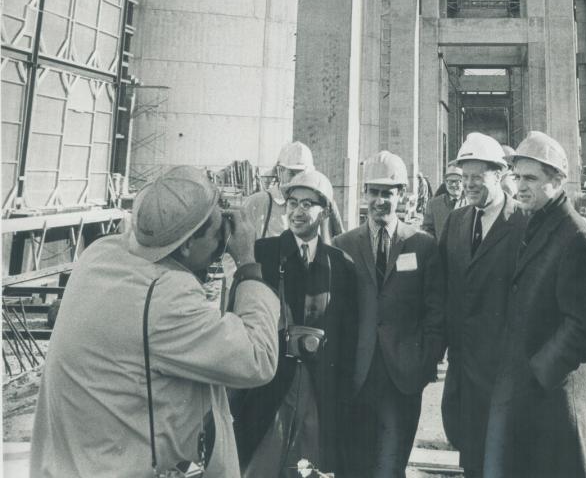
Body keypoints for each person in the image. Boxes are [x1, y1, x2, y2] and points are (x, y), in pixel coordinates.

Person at [30, 165, 280, 478]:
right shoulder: (166, 296)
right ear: (186, 244)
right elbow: (258, 359)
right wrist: (247, 262)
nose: (224, 239)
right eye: (218, 232)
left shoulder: (101, 253)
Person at [484, 132, 586, 478]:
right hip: (529, 398)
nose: (520, 186)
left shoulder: (576, 236)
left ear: (557, 181)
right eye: (517, 177)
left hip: (554, 403)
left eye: (531, 178)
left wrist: (538, 372)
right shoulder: (536, 223)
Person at [231, 168, 357, 477]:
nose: (298, 211)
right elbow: (237, 317)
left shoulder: (340, 265)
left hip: (317, 387)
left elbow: (347, 337)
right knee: (260, 463)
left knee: (308, 465)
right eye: (292, 203)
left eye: (307, 204)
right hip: (269, 384)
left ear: (324, 210)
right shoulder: (262, 254)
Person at [335, 150, 444, 478]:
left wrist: (424, 362)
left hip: (402, 379)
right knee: (354, 466)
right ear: (365, 194)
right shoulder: (343, 245)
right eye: (375, 193)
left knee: (390, 467)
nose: (381, 201)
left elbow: (436, 312)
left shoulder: (422, 247)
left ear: (402, 196)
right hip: (356, 375)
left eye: (389, 193)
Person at [438, 133, 525, 478]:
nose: (469, 185)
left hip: (504, 370)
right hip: (465, 366)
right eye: (464, 177)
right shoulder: (457, 222)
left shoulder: (522, 222)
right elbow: (443, 287)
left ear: (499, 174)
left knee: (506, 459)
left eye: (478, 176)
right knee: (471, 453)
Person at [242, 140, 344, 242]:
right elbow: (238, 249)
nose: (298, 180)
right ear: (280, 170)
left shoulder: (323, 203)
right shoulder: (257, 203)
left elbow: (340, 243)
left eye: (303, 175)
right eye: (293, 173)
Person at [421, 162, 467, 241]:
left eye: (457, 181)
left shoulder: (472, 204)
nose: (453, 185)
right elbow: (427, 230)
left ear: (463, 182)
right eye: (450, 181)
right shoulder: (434, 204)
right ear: (445, 183)